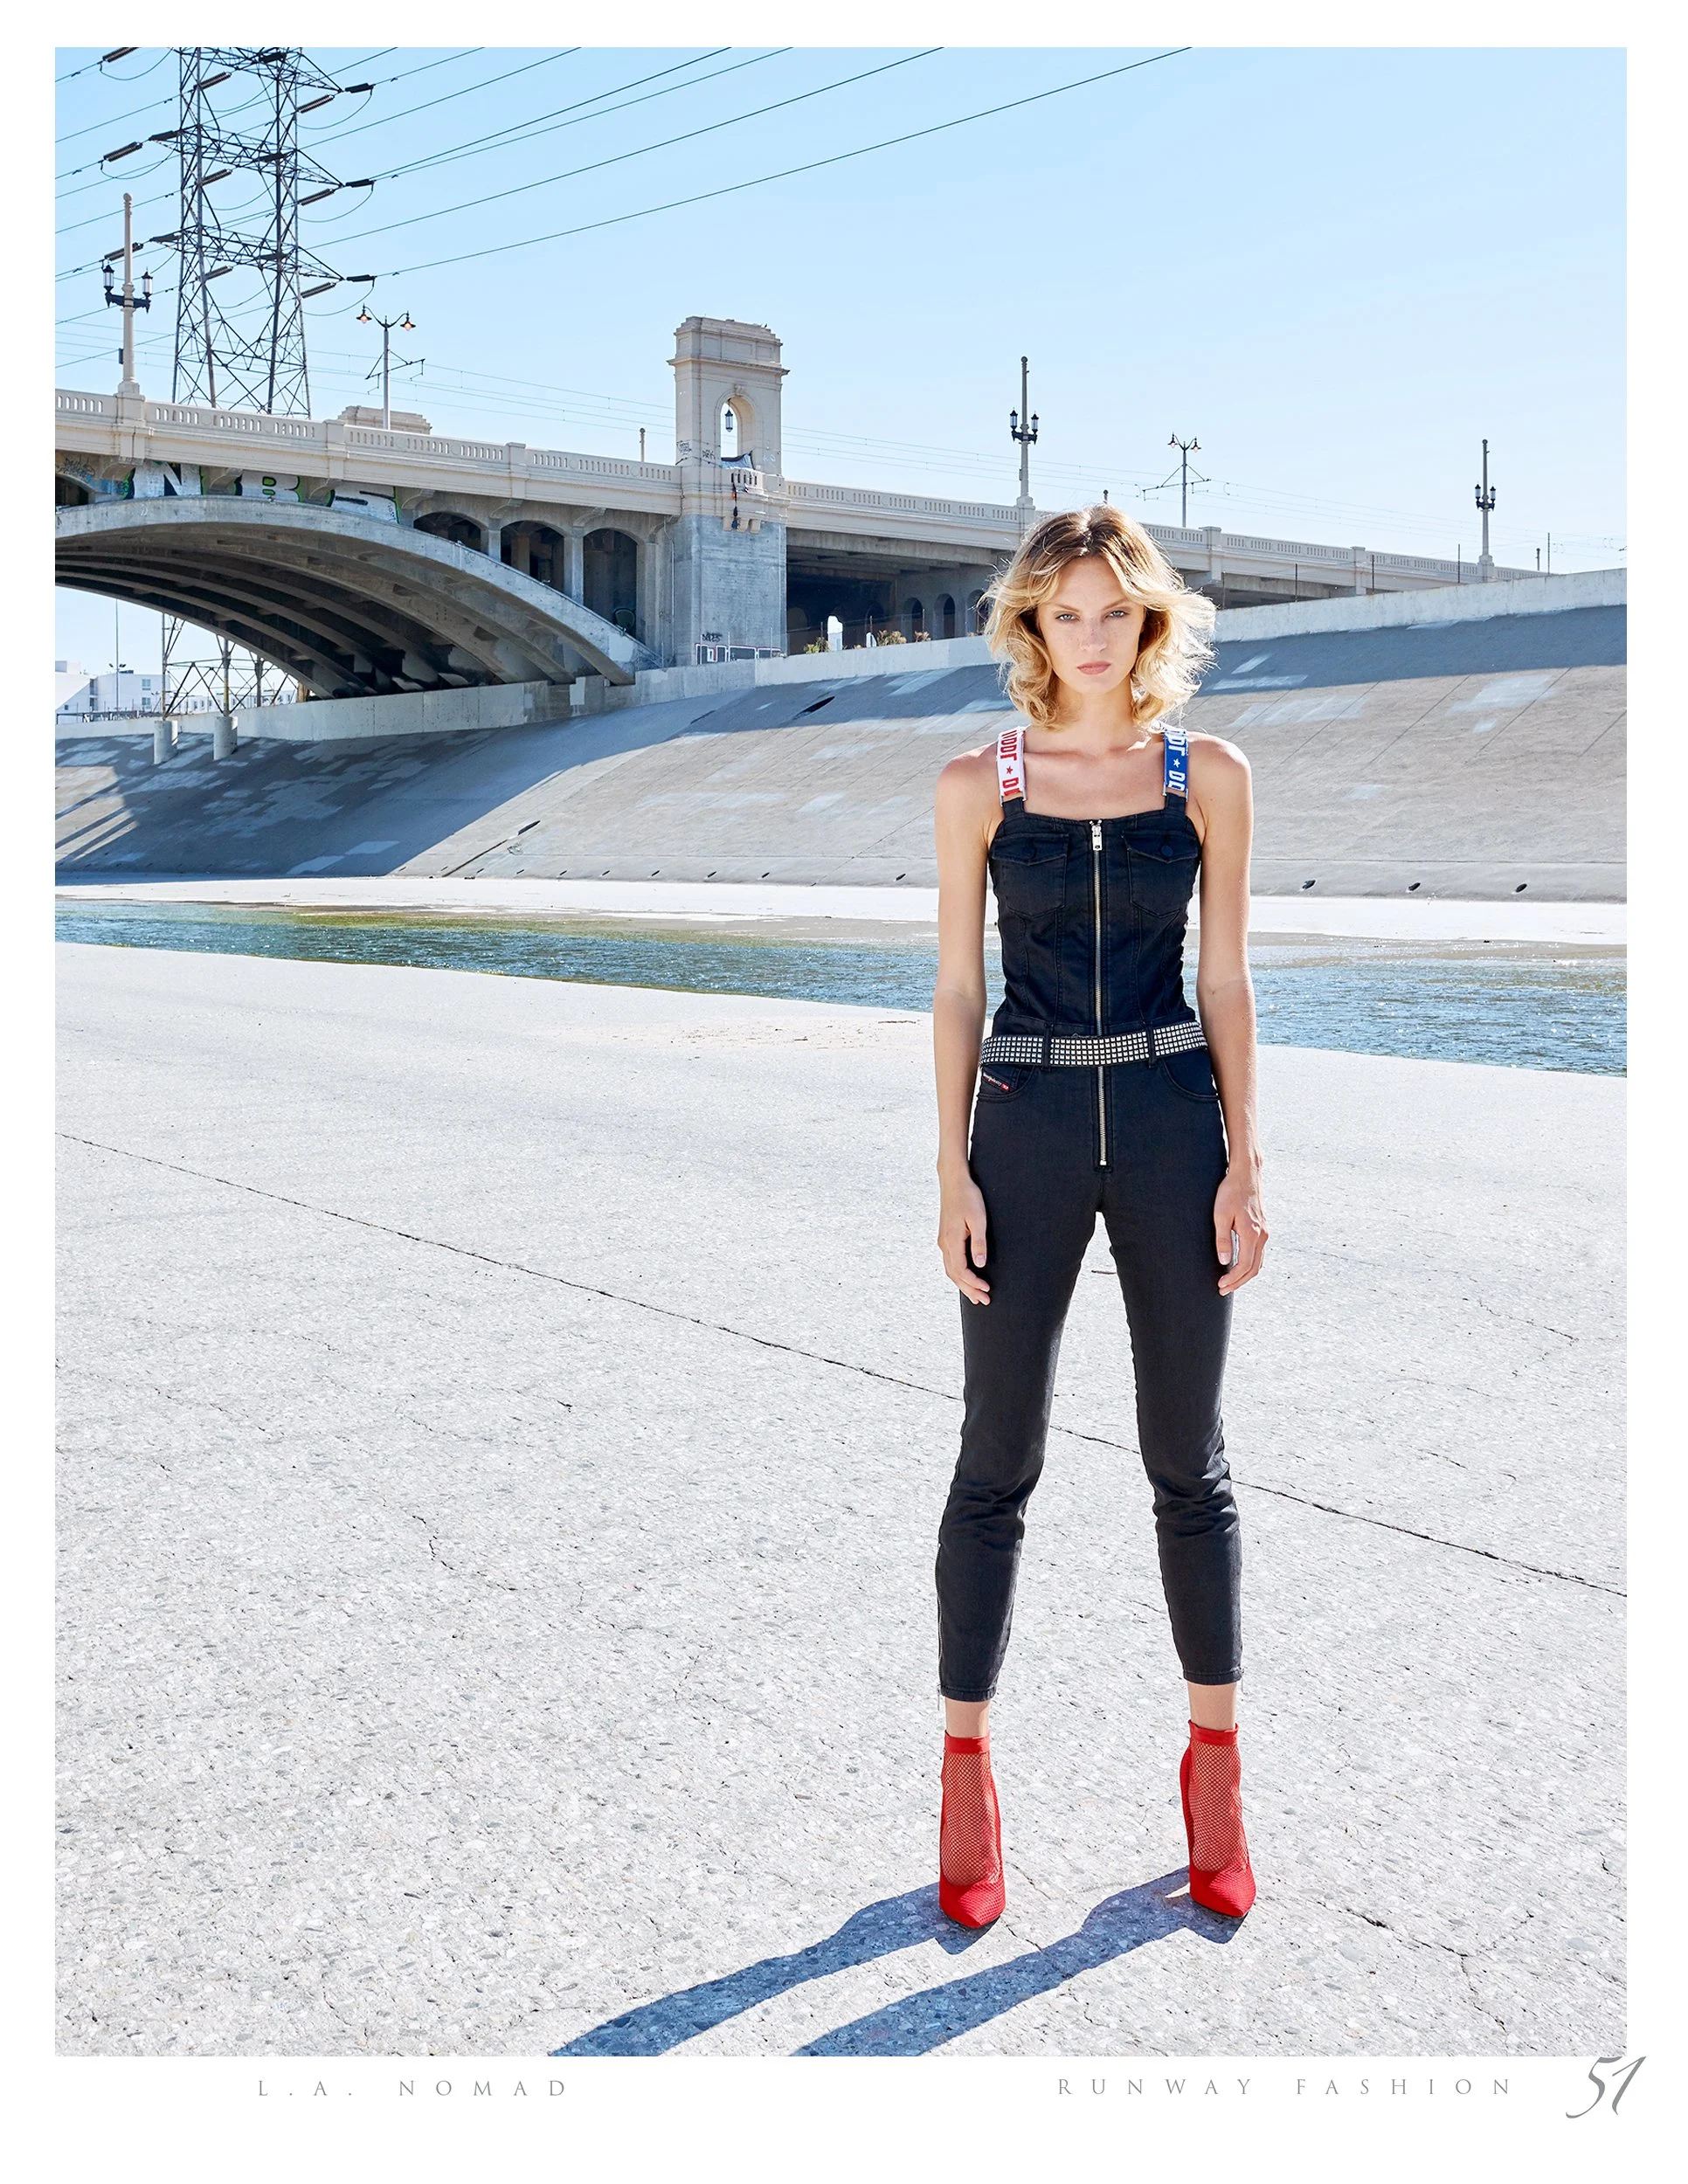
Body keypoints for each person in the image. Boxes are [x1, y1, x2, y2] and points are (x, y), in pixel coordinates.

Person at [930, 503, 1268, 1927]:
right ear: (1030, 625)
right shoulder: (978, 782)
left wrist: (1249, 1161)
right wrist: (948, 1168)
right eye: (1063, 613)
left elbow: (1231, 976)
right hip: (1027, 1129)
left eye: (1112, 613)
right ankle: (963, 1776)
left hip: (1176, 1121)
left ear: (1146, 623)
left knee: (1186, 1458)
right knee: (996, 1456)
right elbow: (956, 986)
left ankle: (1216, 1770)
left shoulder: (1208, 774)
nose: (1088, 636)